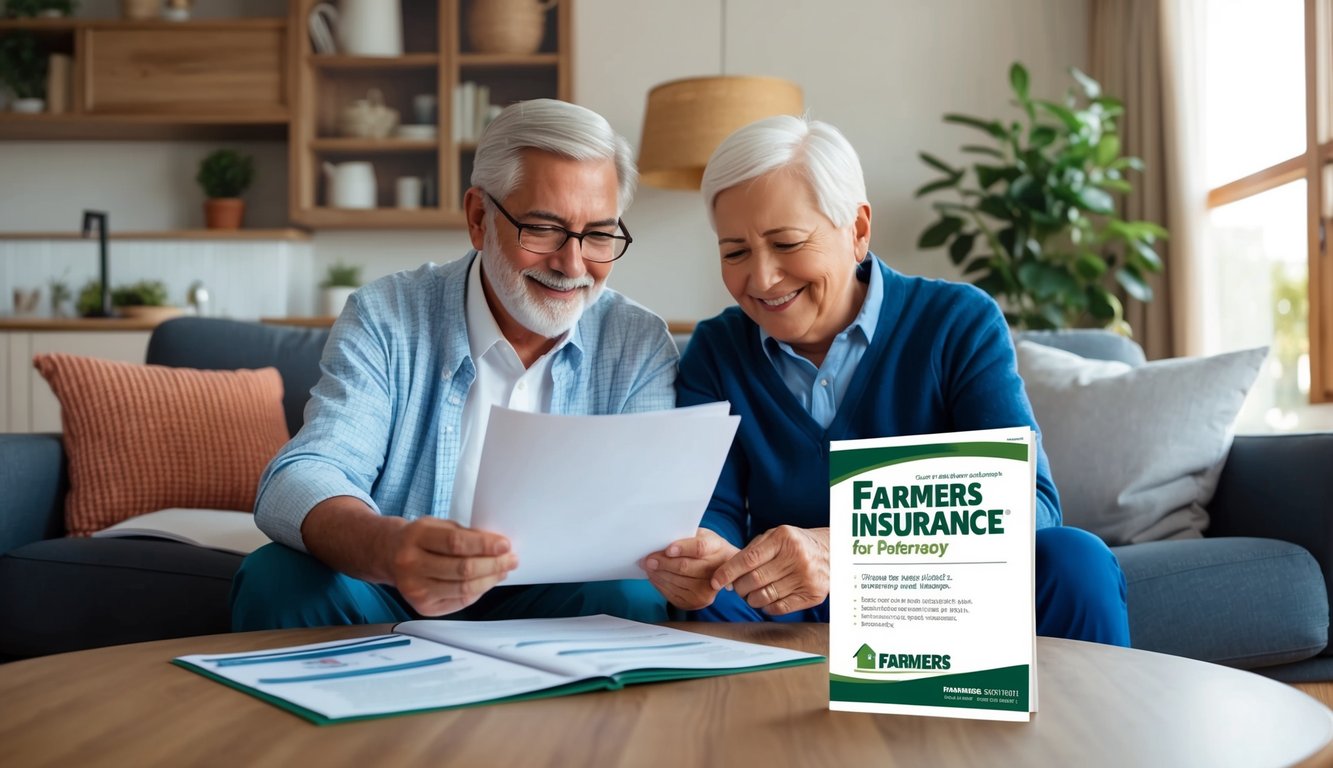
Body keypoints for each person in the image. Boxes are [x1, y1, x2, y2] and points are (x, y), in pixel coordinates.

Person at [643, 115, 1130, 645]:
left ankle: (1084, 727)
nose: (761, 279)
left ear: (857, 231)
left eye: (786, 243)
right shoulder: (716, 350)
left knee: (1074, 559)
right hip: (791, 611)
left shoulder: (957, 321)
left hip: (944, 596)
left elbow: (1029, 505)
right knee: (715, 598)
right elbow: (711, 509)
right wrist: (701, 557)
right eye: (735, 251)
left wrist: (846, 546)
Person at [232, 99, 678, 630]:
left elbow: (647, 514)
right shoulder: (386, 315)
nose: (572, 264)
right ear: (478, 217)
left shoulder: (637, 339)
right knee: (277, 580)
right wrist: (390, 546)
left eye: (599, 234)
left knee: (634, 595)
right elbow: (301, 475)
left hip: (556, 597)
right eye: (542, 229)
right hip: (394, 589)